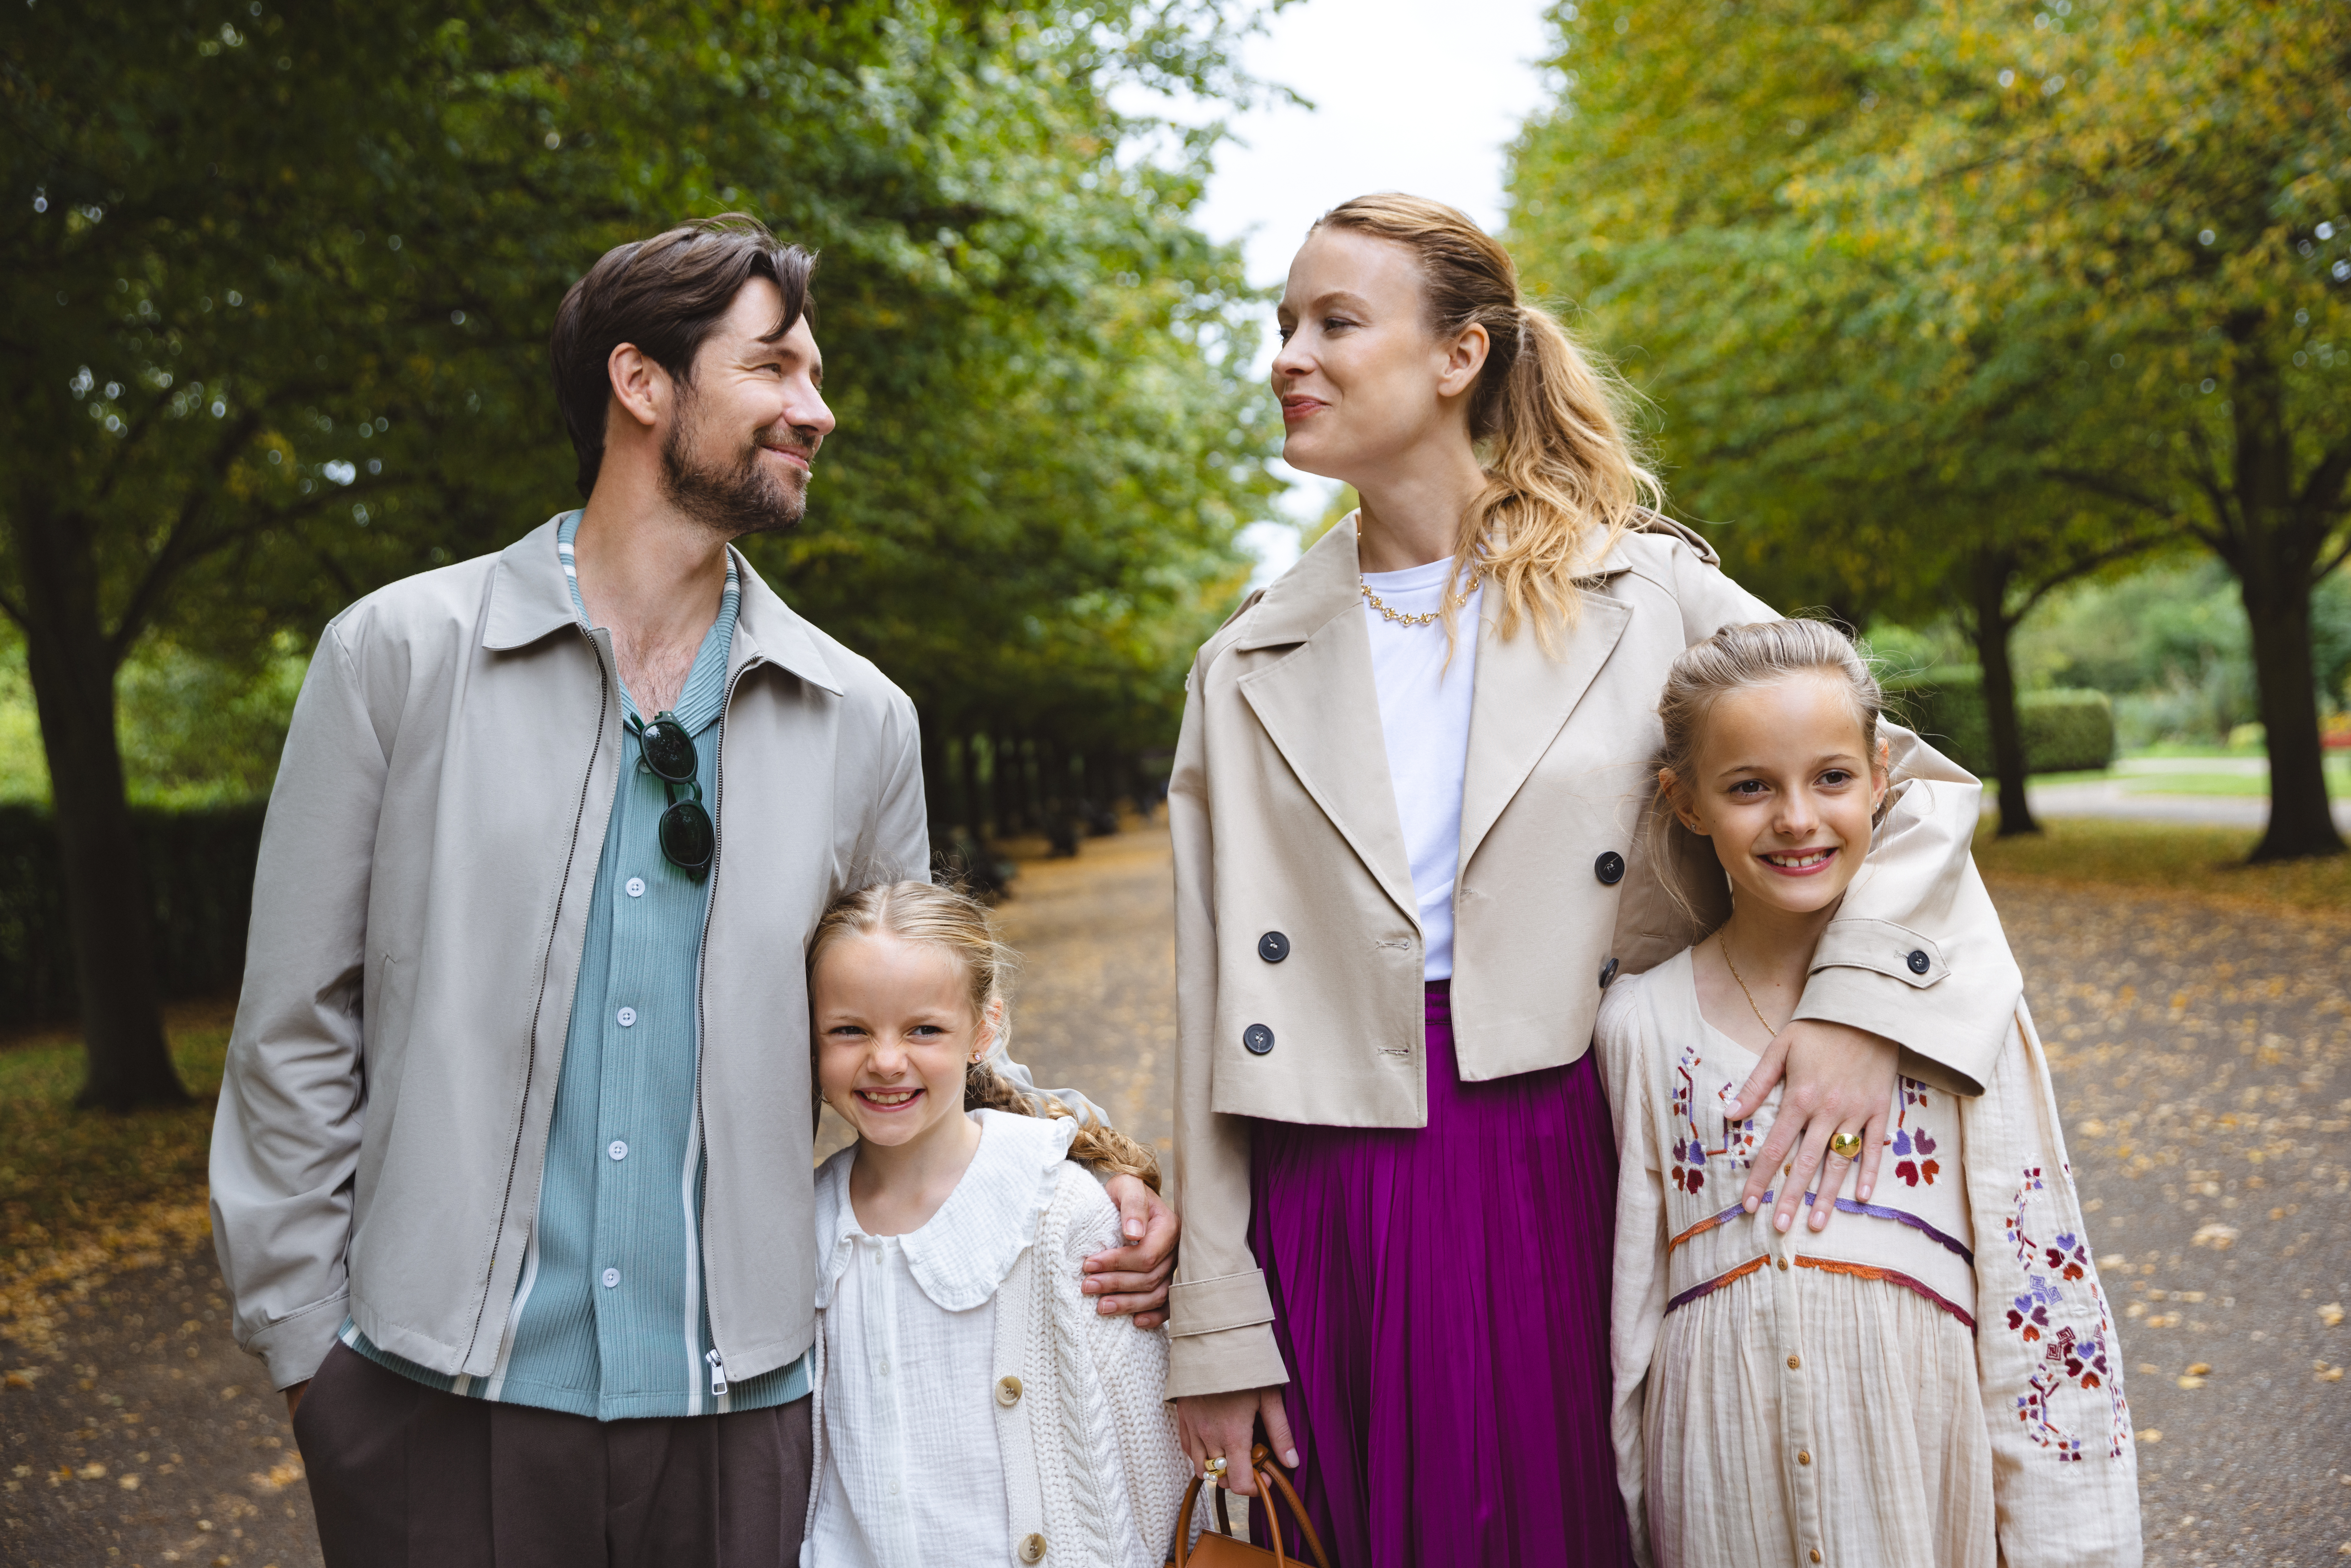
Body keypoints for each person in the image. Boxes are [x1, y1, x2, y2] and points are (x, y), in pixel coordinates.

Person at [207, 215, 1176, 1567]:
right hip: (433, 1401)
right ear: (642, 382)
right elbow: (295, 1029)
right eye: (775, 369)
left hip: (749, 1412)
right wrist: (313, 1357)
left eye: (816, 376)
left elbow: (911, 1032)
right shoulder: (395, 657)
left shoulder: (863, 716)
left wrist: (1092, 1171)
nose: (816, 410)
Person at [1164, 192, 2024, 1566]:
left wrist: (1861, 1005)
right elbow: (1211, 995)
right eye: (1283, 328)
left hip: (1593, 1140)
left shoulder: (1647, 594)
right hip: (1338, 1188)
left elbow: (1906, 788)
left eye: (1335, 323)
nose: (1288, 357)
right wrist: (1214, 1315)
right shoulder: (1247, 662)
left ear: (1460, 356)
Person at [1598, 620, 2140, 1567]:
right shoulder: (1639, 1024)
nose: (1797, 818)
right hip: (1722, 1488)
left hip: (1919, 1474)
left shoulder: (1960, 1011)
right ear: (1685, 804)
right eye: (1749, 786)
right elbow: (1630, 1304)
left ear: (1882, 776)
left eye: (1832, 777)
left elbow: (2038, 1287)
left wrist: (2069, 1545)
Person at [800, 880, 1204, 1566]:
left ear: (983, 1029)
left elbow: (1153, 1457)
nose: (887, 1059)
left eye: (924, 1028)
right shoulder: (807, 1225)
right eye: (849, 1029)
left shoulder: (1058, 1213)